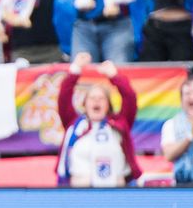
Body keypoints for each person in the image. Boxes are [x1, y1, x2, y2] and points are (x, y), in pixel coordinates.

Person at [56, 54, 141, 187]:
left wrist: (114, 76)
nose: (96, 100)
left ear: (108, 105)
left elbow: (129, 97)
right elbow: (64, 96)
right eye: (92, 98)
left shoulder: (120, 124)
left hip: (116, 193)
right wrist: (76, 69)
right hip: (79, 194)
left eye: (101, 98)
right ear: (85, 104)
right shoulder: (74, 123)